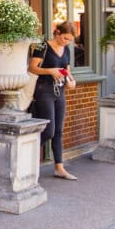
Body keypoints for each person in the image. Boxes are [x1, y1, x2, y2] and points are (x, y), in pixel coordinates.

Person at [28, 21, 78, 180]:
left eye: (69, 39)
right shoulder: (42, 46)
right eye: (65, 38)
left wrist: (71, 81)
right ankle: (28, 159)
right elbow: (32, 68)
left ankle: (59, 167)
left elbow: (67, 71)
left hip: (60, 91)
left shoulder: (67, 49)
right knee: (48, 130)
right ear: (57, 33)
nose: (66, 42)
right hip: (44, 90)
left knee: (58, 132)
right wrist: (50, 71)